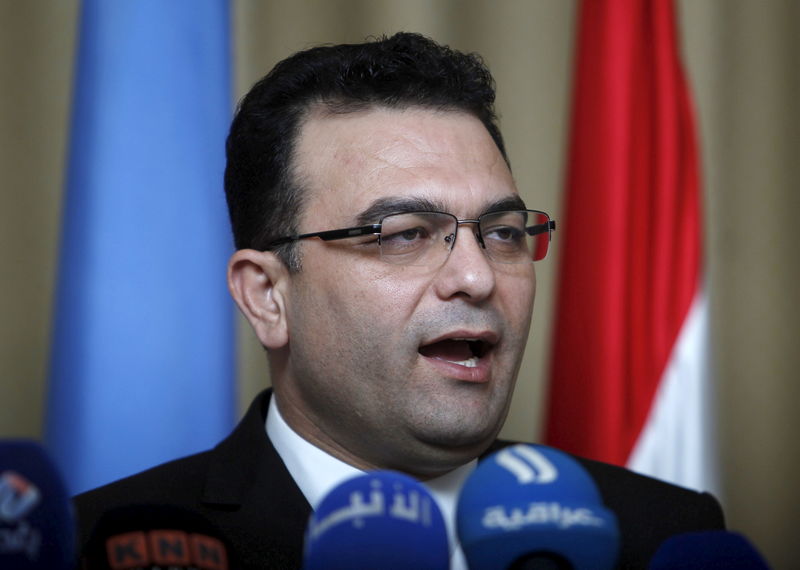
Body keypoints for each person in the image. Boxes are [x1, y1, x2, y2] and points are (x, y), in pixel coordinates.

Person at [74, 33, 724, 569]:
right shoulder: (98, 548)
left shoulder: (664, 537)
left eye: (502, 233)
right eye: (406, 235)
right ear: (267, 295)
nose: (476, 277)